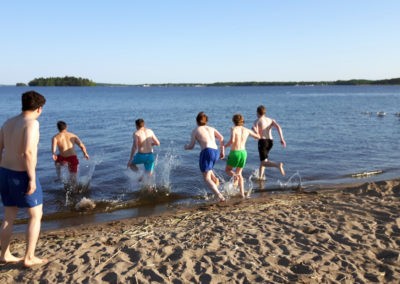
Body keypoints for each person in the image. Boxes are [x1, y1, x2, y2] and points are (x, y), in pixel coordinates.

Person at [0, 90, 47, 267]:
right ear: (39, 108)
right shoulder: (32, 123)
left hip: (4, 172)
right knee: (36, 215)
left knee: (8, 216)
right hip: (21, 174)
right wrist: (32, 178)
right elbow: (27, 152)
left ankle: (4, 255)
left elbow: (0, 149)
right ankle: (29, 257)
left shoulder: (8, 122)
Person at [184, 112, 225, 202]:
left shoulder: (196, 130)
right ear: (206, 121)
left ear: (196, 121)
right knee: (209, 169)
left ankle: (219, 196)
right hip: (216, 151)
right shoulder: (211, 128)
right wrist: (222, 151)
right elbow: (221, 138)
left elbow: (191, 146)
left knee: (206, 178)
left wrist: (186, 147)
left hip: (207, 151)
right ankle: (215, 180)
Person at [225, 114, 260, 198]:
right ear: (242, 121)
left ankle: (235, 177)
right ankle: (242, 194)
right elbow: (258, 137)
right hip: (243, 153)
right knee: (239, 173)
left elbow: (232, 140)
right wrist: (256, 130)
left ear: (233, 121)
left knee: (228, 170)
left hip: (235, 152)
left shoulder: (233, 129)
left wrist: (224, 146)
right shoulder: (247, 130)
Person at [252, 105, 286, 180]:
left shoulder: (256, 121)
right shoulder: (271, 120)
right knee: (264, 160)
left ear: (257, 112)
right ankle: (260, 177)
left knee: (263, 162)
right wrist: (282, 139)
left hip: (263, 142)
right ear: (264, 112)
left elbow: (256, 135)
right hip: (270, 142)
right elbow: (278, 127)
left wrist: (254, 130)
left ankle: (277, 165)